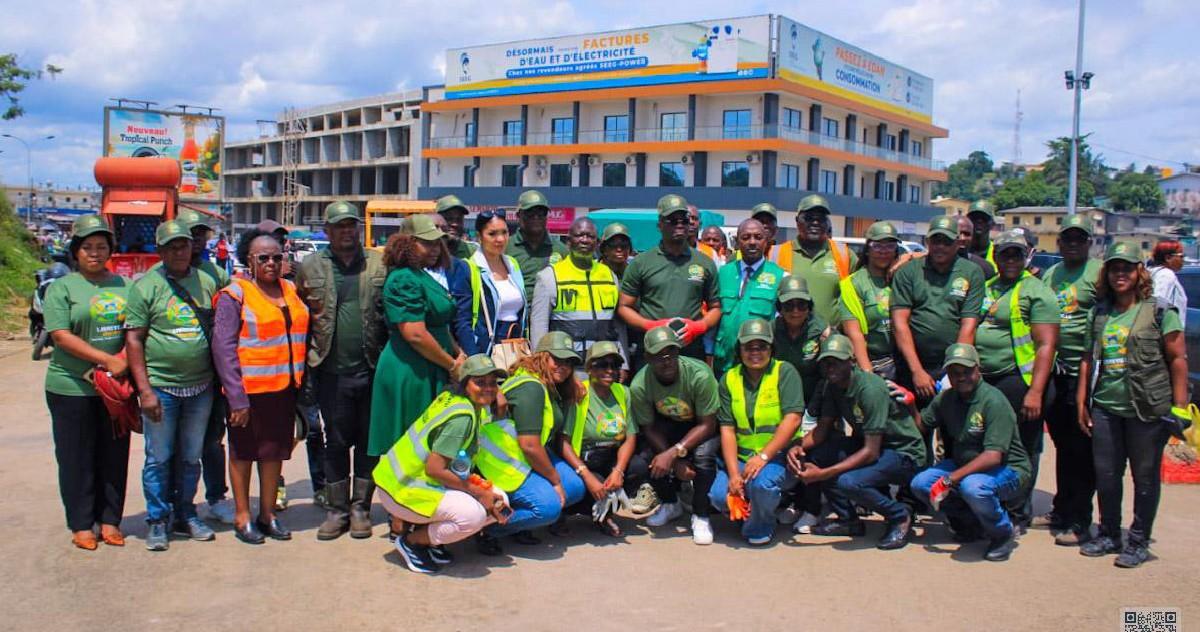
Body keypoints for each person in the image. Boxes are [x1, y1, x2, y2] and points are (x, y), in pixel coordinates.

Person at [1076, 242, 1189, 568]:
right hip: (1107, 406)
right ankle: (1110, 533)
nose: (1120, 274)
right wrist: (1082, 400)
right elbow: (1087, 359)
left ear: (1139, 272)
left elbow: (1178, 360)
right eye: (1114, 268)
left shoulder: (1158, 311)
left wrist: (1180, 408)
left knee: (1145, 477)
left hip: (1146, 409)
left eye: (1127, 268)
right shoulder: (1099, 313)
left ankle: (1138, 541)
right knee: (1107, 475)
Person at [296, 201, 389, 541]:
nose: (347, 231)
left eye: (351, 224)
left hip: (371, 367)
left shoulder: (379, 263)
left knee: (368, 441)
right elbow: (302, 321)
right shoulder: (310, 267)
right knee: (335, 441)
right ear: (328, 230)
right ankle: (337, 510)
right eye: (339, 226)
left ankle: (361, 507)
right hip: (329, 371)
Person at [124, 220, 219, 551]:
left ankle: (186, 513)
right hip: (161, 387)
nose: (180, 252)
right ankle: (156, 519)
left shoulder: (208, 280)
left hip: (200, 388)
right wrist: (145, 391)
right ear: (161, 251)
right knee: (159, 457)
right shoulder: (146, 286)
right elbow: (134, 340)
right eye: (173, 247)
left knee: (192, 457)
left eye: (184, 245)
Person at [212, 231, 310, 544]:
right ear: (249, 260)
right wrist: (237, 398)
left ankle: (267, 514)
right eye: (263, 257)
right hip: (247, 394)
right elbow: (223, 348)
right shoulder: (235, 294)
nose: (271, 263)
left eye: (277, 257)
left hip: (283, 389)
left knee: (273, 453)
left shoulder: (291, 290)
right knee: (243, 453)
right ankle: (243, 516)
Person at [374, 355, 512, 574]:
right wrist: (478, 492)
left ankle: (429, 538)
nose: (488, 388)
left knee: (498, 498)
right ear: (465, 383)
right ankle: (414, 542)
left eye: (492, 383)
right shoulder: (462, 418)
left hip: (402, 483)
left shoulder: (454, 398)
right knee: (473, 515)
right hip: (402, 490)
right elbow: (435, 469)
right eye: (480, 382)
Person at [43, 215, 132, 550]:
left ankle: (110, 520)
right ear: (76, 252)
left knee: (114, 454)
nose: (95, 253)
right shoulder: (63, 287)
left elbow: (135, 327)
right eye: (88, 247)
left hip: (113, 389)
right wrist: (106, 359)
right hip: (71, 387)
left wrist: (123, 358)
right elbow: (61, 336)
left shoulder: (125, 286)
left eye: (101, 247)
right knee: (76, 456)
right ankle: (81, 523)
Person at [790, 334, 927, 549]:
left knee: (849, 481)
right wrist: (796, 446)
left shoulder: (870, 389)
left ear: (852, 361)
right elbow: (822, 431)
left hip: (903, 452)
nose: (830, 367)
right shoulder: (832, 385)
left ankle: (900, 516)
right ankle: (848, 520)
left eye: (836, 361)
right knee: (818, 454)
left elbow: (871, 452)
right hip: (872, 445)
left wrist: (823, 474)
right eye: (826, 362)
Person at [369, 215, 464, 501]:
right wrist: (452, 365)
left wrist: (458, 353)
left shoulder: (421, 275)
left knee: (428, 441)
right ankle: (404, 509)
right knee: (410, 441)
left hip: (430, 364)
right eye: (426, 243)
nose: (435, 249)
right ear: (407, 244)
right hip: (411, 370)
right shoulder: (403, 279)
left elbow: (439, 324)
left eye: (438, 243)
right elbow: (415, 334)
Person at [910, 344, 1032, 562]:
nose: (961, 377)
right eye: (955, 373)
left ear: (978, 369)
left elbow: (994, 455)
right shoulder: (946, 398)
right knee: (921, 484)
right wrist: (909, 404)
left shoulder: (993, 401)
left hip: (1008, 469)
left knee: (974, 488)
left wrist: (950, 479)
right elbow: (922, 426)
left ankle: (1002, 533)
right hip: (964, 464)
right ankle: (971, 522)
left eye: (966, 371)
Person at [975, 230, 1060, 531]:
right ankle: (992, 504)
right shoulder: (988, 287)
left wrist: (1035, 392)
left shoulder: (1037, 291)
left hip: (1020, 380)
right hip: (987, 380)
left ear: (1027, 257)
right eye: (1005, 254)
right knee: (989, 444)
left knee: (1023, 446)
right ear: (995, 256)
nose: (1011, 259)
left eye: (1017, 254)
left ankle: (1018, 510)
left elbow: (1046, 345)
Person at [474, 332, 586, 553]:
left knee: (574, 487)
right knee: (548, 508)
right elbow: (529, 445)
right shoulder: (531, 387)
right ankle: (489, 527)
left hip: (523, 456)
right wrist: (554, 481)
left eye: (569, 362)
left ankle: (519, 517)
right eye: (558, 359)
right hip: (504, 462)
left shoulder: (546, 383)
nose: (563, 367)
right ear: (542, 357)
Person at [708, 320, 804, 545]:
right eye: (748, 347)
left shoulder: (784, 372)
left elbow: (793, 419)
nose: (755, 352)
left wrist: (762, 457)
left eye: (762, 346)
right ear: (739, 350)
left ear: (772, 348)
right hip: (741, 458)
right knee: (719, 496)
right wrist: (733, 474)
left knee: (761, 486)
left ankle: (760, 525)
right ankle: (757, 507)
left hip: (777, 458)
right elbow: (728, 429)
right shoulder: (729, 379)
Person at [169, 208, 237, 525]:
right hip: (171, 379)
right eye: (190, 235)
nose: (196, 241)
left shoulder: (216, 275)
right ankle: (176, 502)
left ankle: (215, 497)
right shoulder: (159, 276)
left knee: (211, 440)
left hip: (211, 376)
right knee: (172, 446)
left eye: (201, 235)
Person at [1040, 214, 1101, 545]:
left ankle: (1080, 518)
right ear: (1059, 242)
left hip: (1085, 372)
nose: (1073, 243)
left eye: (1080, 238)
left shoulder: (1099, 274)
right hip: (1056, 371)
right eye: (1068, 238)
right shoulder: (1053, 273)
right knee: (1063, 445)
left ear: (1089, 242)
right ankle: (1062, 508)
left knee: (1082, 448)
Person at [632, 326, 721, 545]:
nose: (667, 361)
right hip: (668, 425)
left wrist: (675, 454)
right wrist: (672, 460)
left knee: (703, 459)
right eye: (659, 356)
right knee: (647, 458)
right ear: (647, 358)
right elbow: (649, 428)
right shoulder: (639, 385)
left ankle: (700, 514)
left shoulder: (699, 374)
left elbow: (708, 425)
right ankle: (670, 503)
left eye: (671, 353)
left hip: (701, 425)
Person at [556, 341, 648, 537]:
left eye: (614, 365)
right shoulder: (579, 393)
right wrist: (586, 475)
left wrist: (618, 471)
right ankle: (567, 512)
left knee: (639, 467)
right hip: (583, 461)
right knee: (588, 486)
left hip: (610, 457)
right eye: (602, 365)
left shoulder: (623, 392)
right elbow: (563, 441)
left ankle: (603, 513)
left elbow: (631, 436)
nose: (610, 370)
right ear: (589, 368)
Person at [891, 215, 985, 403]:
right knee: (914, 428)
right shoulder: (908, 272)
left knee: (952, 427)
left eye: (947, 242)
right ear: (927, 242)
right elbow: (899, 323)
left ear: (958, 243)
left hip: (951, 364)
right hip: (913, 363)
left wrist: (955, 370)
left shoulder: (972, 272)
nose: (940, 246)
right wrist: (917, 371)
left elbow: (969, 324)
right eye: (936, 241)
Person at [618, 194, 720, 362]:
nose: (679, 225)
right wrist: (649, 325)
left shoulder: (705, 262)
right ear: (659, 225)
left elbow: (716, 307)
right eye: (672, 220)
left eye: (684, 220)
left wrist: (699, 326)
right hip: (652, 350)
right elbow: (623, 307)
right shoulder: (641, 262)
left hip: (691, 351)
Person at [530, 217, 627, 363]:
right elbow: (539, 327)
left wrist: (624, 363)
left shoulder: (609, 275)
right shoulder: (549, 277)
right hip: (567, 368)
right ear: (568, 241)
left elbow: (618, 325)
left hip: (605, 366)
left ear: (597, 243)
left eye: (590, 236)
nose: (585, 240)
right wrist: (540, 365)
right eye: (579, 235)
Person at [713, 218, 786, 374]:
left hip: (758, 364)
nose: (752, 242)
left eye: (758, 237)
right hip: (723, 363)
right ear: (737, 243)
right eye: (745, 237)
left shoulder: (780, 276)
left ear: (766, 241)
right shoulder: (722, 273)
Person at [781, 195, 856, 325]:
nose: (815, 223)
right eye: (809, 218)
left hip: (832, 339)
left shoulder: (844, 254)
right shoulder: (776, 253)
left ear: (827, 223)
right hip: (789, 339)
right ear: (797, 221)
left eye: (820, 219)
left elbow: (871, 276)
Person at [839, 221, 900, 379]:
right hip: (874, 363)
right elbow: (855, 334)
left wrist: (909, 256)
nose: (884, 251)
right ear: (867, 249)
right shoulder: (852, 284)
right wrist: (869, 375)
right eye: (877, 246)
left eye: (890, 246)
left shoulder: (904, 277)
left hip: (902, 361)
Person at [467, 210, 527, 354]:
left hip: (515, 341)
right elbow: (463, 318)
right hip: (486, 345)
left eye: (504, 232)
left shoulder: (513, 264)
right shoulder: (470, 268)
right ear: (479, 236)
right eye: (492, 234)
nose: (500, 239)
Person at [773, 276, 831, 404]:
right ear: (780, 308)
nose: (795, 312)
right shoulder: (771, 332)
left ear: (809, 306)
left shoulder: (822, 331)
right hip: (778, 398)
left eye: (801, 305)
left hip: (814, 399)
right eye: (788, 306)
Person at [428, 212, 478, 356]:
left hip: (451, 352)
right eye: (434, 228)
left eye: (443, 230)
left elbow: (462, 319)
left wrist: (471, 357)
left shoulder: (458, 268)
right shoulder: (409, 271)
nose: (438, 235)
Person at [506, 190, 567, 299]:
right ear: (518, 215)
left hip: (551, 314)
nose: (536, 217)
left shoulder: (561, 250)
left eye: (541, 213)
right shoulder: (505, 248)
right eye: (530, 213)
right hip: (518, 314)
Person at [1149, 240, 1187, 326]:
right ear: (1168, 258)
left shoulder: (1152, 272)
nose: (1183, 260)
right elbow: (1158, 302)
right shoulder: (1166, 275)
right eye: (1181, 256)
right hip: (1167, 330)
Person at [435, 194, 477, 260]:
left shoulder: (474, 251)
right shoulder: (427, 251)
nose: (455, 224)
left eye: (459, 219)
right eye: (448, 218)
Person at [956, 215, 996, 279]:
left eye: (967, 234)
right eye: (973, 219)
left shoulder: (984, 268)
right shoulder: (936, 262)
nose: (962, 238)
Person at [967, 199, 997, 267]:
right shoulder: (957, 250)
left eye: (984, 218)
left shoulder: (999, 253)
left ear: (992, 224)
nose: (979, 221)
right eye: (974, 217)